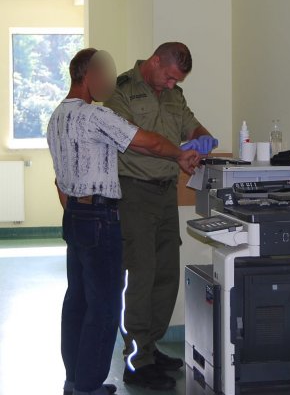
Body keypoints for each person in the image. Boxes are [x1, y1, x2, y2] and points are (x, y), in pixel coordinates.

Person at [47, 48, 200, 395]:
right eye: (105, 76)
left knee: (78, 302)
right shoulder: (96, 116)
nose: (109, 83)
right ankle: (89, 386)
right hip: (101, 216)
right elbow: (147, 143)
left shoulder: (57, 116)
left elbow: (58, 179)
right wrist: (178, 152)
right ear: (89, 78)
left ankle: (75, 381)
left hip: (75, 214)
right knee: (104, 308)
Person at [105, 42, 218, 390]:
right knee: (140, 277)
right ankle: (136, 361)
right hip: (134, 193)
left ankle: (150, 349)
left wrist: (202, 139)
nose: (171, 85)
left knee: (166, 275)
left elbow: (191, 126)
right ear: (154, 62)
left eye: (176, 80)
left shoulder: (174, 95)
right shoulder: (120, 91)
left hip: (166, 192)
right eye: (169, 77)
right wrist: (179, 154)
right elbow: (137, 141)